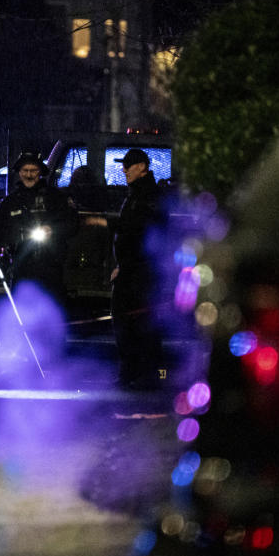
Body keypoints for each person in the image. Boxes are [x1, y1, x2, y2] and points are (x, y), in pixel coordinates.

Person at [0, 152, 78, 302]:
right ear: (19, 173)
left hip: (51, 267)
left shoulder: (56, 198)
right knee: (22, 312)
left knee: (50, 311)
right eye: (25, 171)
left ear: (40, 172)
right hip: (21, 268)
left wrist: (52, 230)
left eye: (33, 171)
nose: (29, 175)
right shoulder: (10, 202)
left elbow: (73, 224)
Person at [110, 148, 170, 389]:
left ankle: (148, 375)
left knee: (141, 322)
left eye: (129, 165)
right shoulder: (135, 194)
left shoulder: (149, 196)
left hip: (142, 272)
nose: (124, 169)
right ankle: (133, 372)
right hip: (131, 270)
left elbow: (139, 232)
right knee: (126, 321)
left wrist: (131, 265)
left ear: (142, 167)